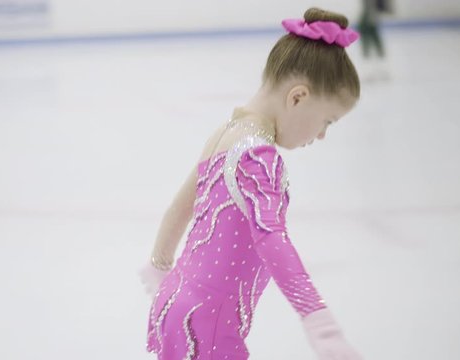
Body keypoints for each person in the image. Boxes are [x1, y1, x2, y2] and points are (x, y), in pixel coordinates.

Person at [138, 7, 364, 360]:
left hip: (177, 301)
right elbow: (272, 238)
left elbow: (177, 210)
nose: (320, 135)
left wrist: (158, 269)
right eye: (327, 121)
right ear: (298, 97)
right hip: (210, 322)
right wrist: (321, 324)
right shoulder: (259, 156)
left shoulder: (226, 135)